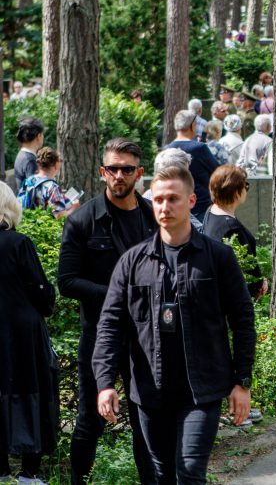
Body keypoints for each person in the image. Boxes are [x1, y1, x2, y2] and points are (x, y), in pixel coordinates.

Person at [93, 166, 256, 484]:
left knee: (190, 472)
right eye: (159, 200)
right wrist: (105, 383)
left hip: (202, 389)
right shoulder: (133, 262)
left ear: (192, 200)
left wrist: (242, 382)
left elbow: (242, 321)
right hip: (150, 391)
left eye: (173, 199)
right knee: (162, 473)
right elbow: (110, 325)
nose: (165, 207)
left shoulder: (217, 257)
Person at [58, 138, 157, 484]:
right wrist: (117, 296)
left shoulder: (152, 217)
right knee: (90, 418)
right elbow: (67, 282)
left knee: (147, 416)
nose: (118, 175)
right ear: (102, 172)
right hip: (100, 335)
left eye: (126, 169)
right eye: (112, 169)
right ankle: (78, 481)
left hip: (146, 338)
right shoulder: (84, 220)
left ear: (139, 173)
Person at [0, 183, 58, 484]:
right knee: (29, 392)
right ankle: (28, 472)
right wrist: (49, 301)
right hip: (21, 333)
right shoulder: (18, 243)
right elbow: (41, 292)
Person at [203, 165, 268, 300]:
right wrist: (260, 284)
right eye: (245, 185)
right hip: (236, 297)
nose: (247, 189)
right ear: (235, 191)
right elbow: (247, 266)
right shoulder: (231, 227)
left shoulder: (211, 211)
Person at [163, 110, 221, 219]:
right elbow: (219, 172)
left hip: (175, 208)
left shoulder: (167, 149)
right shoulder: (199, 148)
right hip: (201, 209)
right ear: (193, 126)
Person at [18, 147, 80, 218]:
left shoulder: (29, 181)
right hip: (44, 228)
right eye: (60, 160)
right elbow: (59, 216)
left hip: (27, 225)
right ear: (56, 164)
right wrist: (74, 208)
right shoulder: (52, 187)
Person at [14, 117, 44, 192]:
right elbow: (34, 191)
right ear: (38, 136)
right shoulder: (30, 160)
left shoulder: (22, 155)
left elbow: (25, 186)